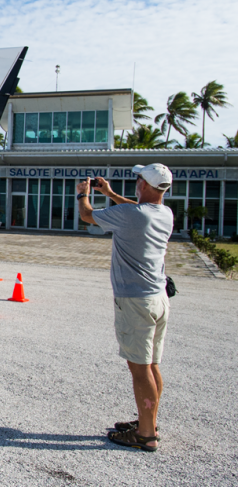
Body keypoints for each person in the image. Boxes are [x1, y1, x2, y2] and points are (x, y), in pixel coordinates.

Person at [77, 164, 174, 452]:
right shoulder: (163, 213)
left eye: (139, 178)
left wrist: (83, 194)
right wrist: (110, 193)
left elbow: (87, 216)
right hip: (158, 298)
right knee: (152, 364)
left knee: (139, 367)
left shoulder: (132, 216)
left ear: (144, 184)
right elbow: (137, 209)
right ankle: (149, 421)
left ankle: (146, 435)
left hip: (135, 300)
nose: (137, 181)